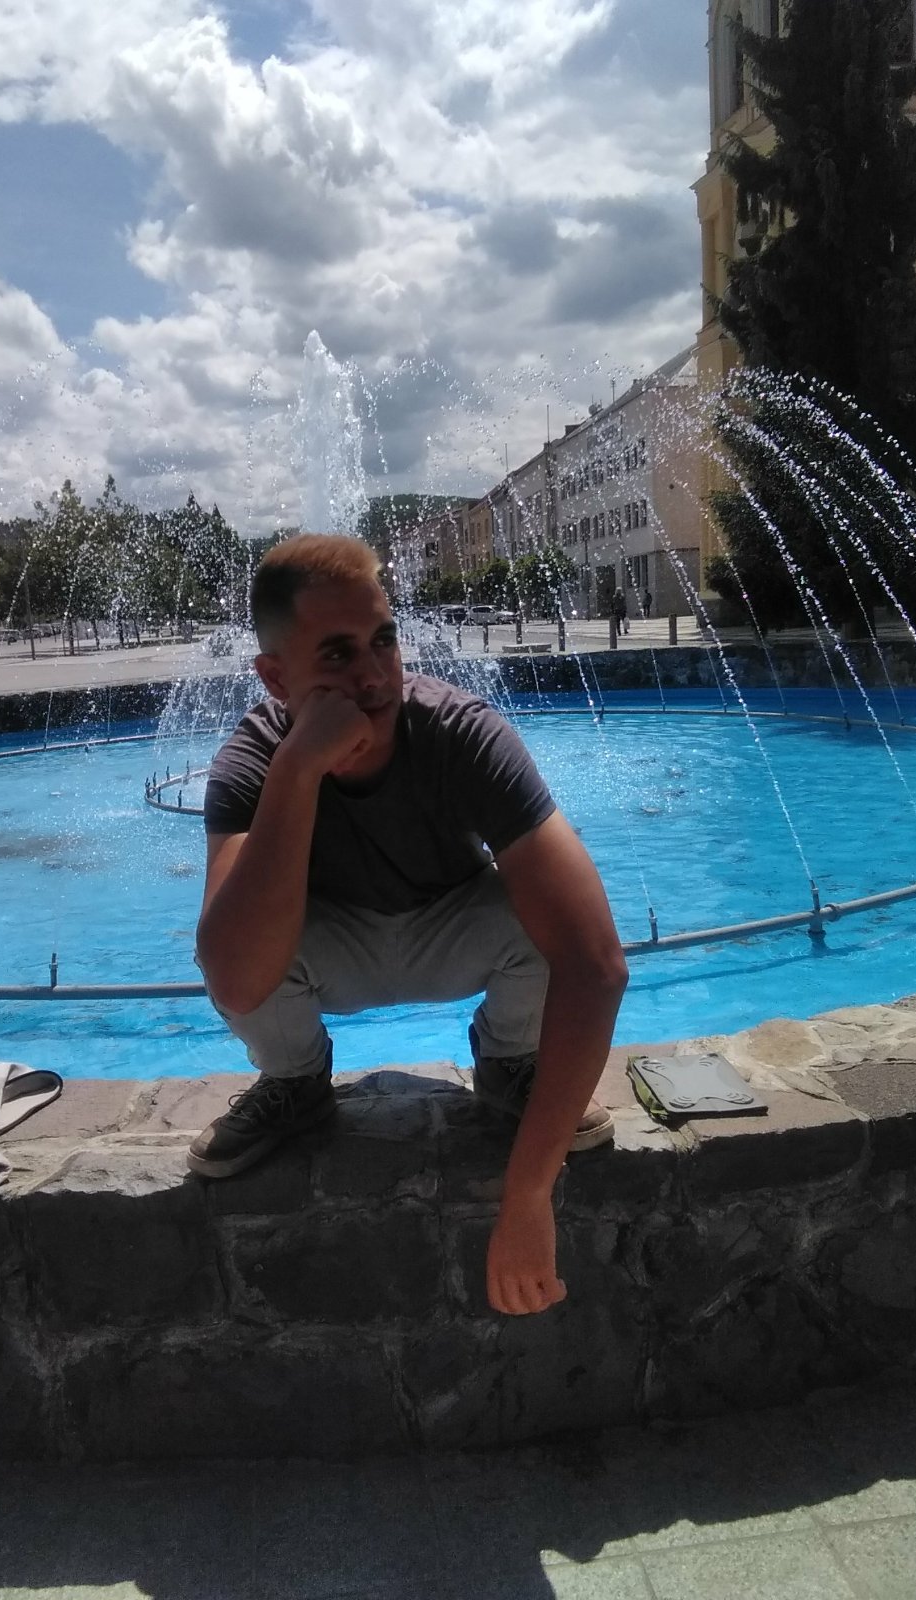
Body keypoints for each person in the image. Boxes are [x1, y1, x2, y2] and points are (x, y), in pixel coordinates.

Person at [192, 534, 628, 1318]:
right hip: (323, 953)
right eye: (336, 655)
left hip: (454, 932)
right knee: (235, 941)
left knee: (546, 916)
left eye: (383, 640)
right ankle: (295, 1082)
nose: (371, 675)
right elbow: (232, 977)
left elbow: (596, 962)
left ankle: (510, 1063)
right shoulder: (251, 761)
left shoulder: (462, 733)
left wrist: (530, 1192)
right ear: (276, 678)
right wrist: (297, 770)